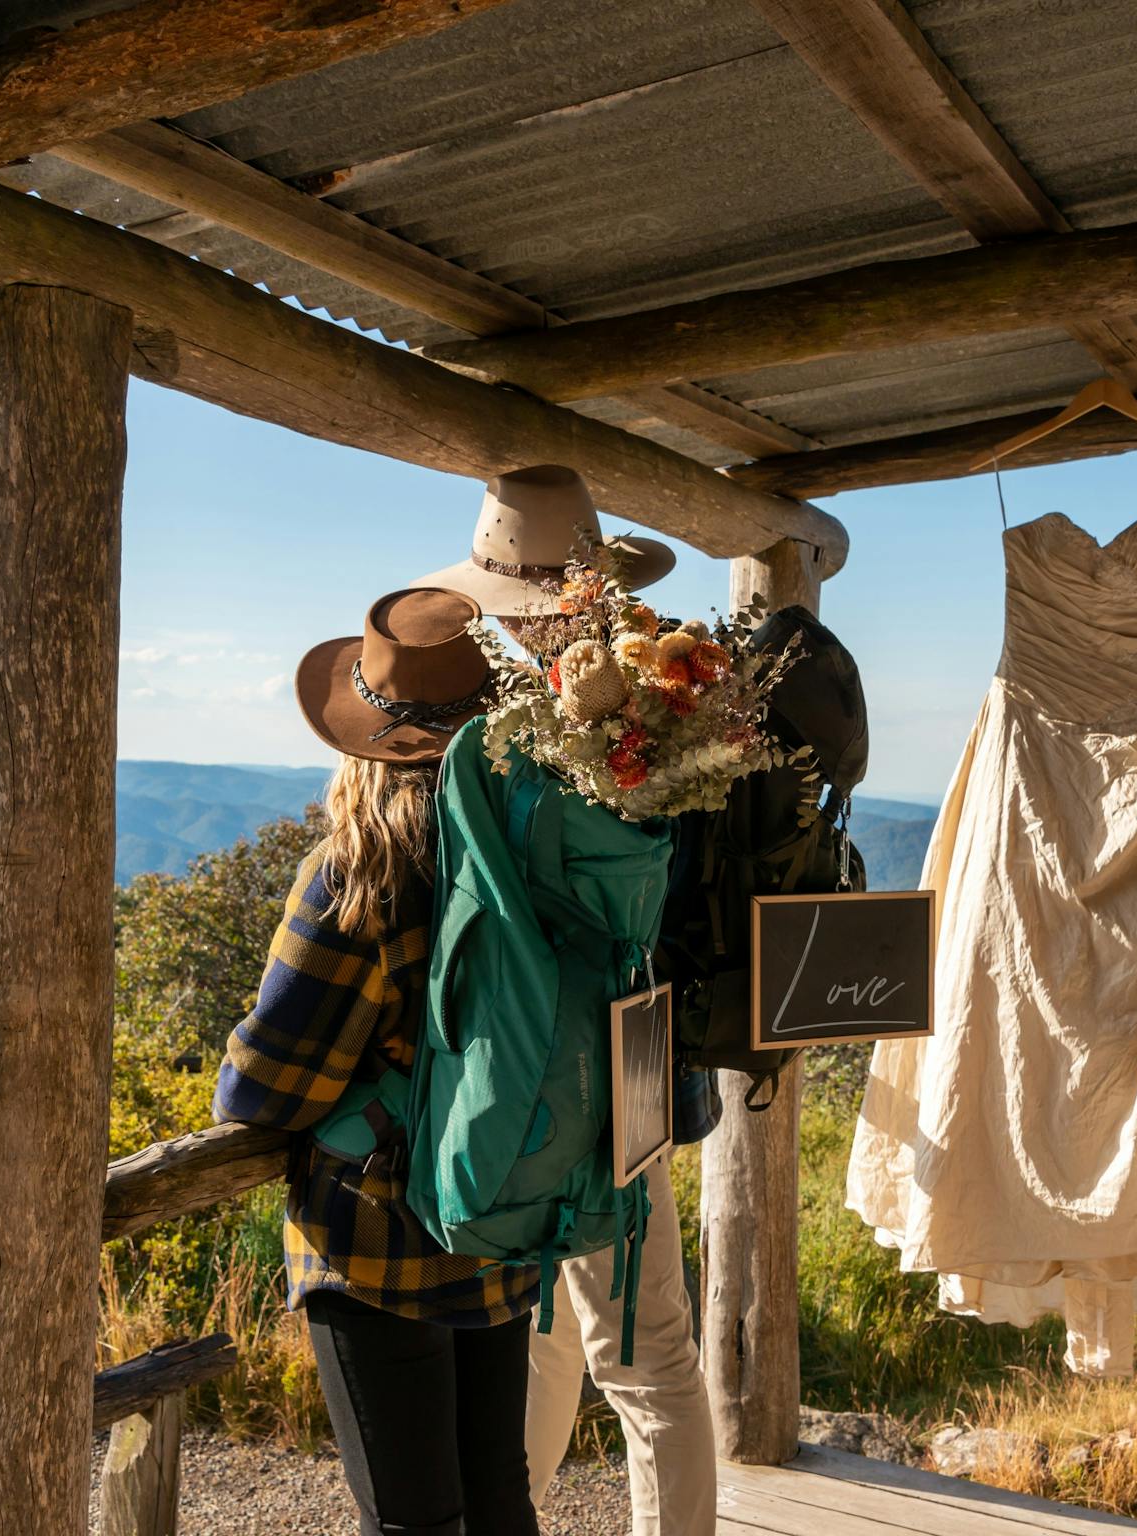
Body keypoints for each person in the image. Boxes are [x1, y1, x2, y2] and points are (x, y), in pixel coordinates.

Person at [415, 466, 721, 1536]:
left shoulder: (501, 743)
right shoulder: (673, 715)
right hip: (635, 1042)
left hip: (531, 1055)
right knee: (650, 1354)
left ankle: (522, 1513)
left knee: (532, 1331)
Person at [212, 587, 540, 1536]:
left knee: (412, 1519)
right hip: (506, 1206)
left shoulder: (363, 867)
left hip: (381, 1240)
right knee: (498, 1494)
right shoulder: (534, 847)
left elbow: (268, 1084)